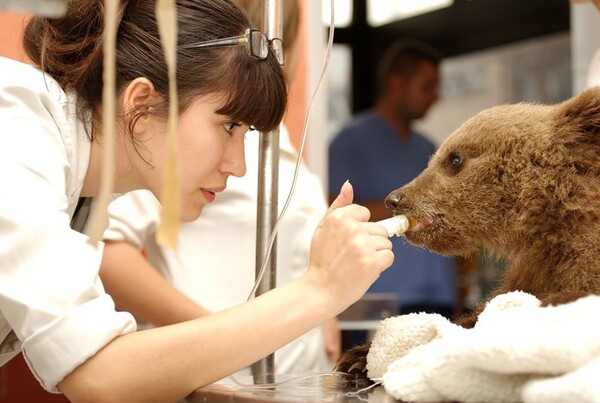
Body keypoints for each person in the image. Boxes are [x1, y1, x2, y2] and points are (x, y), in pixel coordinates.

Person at [0, 1, 393, 401]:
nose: (239, 166)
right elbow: (98, 374)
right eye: (229, 126)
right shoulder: (15, 127)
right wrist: (320, 289)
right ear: (142, 103)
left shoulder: (83, 181)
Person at [99, 0, 340, 375]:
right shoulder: (172, 139)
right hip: (220, 375)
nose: (238, 166)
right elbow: (109, 252)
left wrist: (319, 308)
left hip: (297, 373)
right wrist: (221, 332)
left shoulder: (277, 141)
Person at [328, 39, 457, 325]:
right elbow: (333, 217)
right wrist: (406, 211)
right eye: (428, 85)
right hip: (378, 304)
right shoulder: (349, 142)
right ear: (397, 84)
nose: (435, 96)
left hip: (439, 300)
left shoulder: (430, 148)